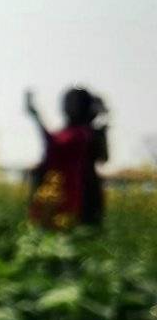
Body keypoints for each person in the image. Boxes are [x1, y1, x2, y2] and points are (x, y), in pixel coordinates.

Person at [25, 87, 109, 228]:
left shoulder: (84, 133)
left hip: (77, 190)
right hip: (55, 187)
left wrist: (36, 117)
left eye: (71, 102)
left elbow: (55, 145)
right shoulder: (70, 131)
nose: (66, 106)